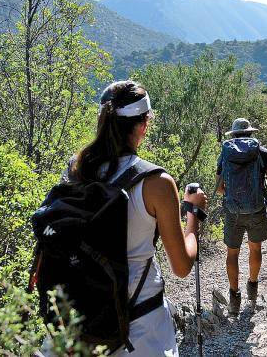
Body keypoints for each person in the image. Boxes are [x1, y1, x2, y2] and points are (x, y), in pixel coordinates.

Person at [48, 80, 207, 357]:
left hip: (80, 322)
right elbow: (181, 266)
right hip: (142, 329)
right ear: (144, 125)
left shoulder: (76, 170)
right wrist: (193, 217)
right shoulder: (155, 182)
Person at [215, 117, 267, 316]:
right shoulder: (263, 152)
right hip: (256, 209)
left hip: (233, 211)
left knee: (232, 253)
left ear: (233, 134)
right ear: (250, 132)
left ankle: (234, 299)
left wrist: (233, 194)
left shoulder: (224, 154)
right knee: (255, 248)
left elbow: (218, 189)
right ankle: (252, 288)